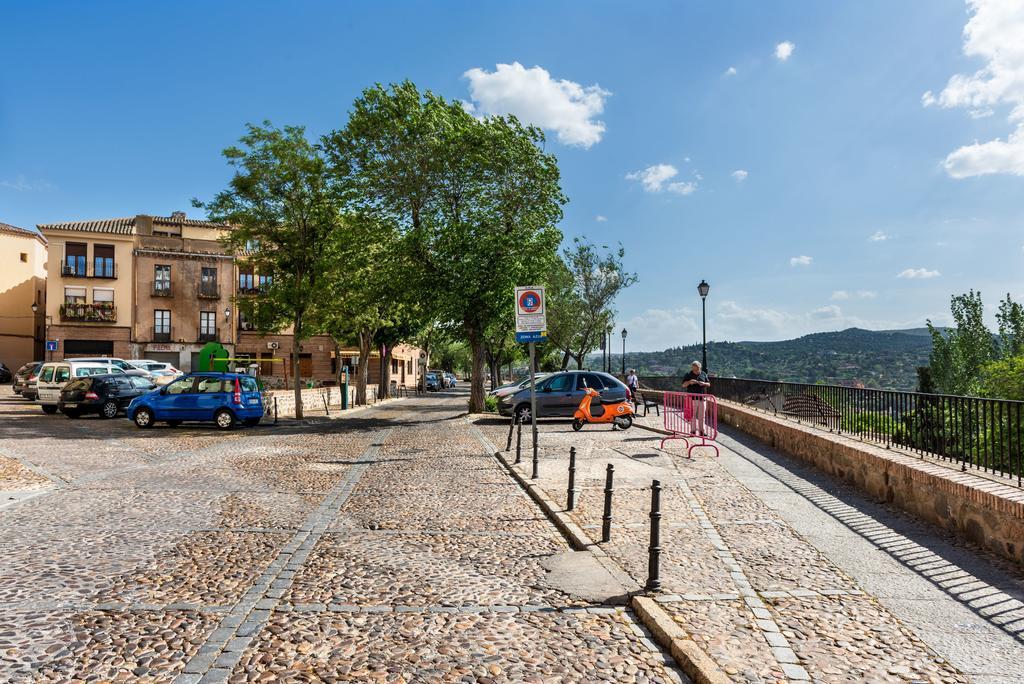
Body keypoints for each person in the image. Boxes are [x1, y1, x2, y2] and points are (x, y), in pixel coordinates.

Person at [681, 361, 711, 435]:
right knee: (693, 415)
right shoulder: (688, 374)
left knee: (702, 416)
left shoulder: (703, 374)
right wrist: (689, 382)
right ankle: (693, 431)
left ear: (699, 367)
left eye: (696, 369)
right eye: (693, 369)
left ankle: (702, 431)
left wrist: (703, 383)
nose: (695, 371)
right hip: (692, 398)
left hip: (702, 397)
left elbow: (709, 384)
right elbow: (683, 385)